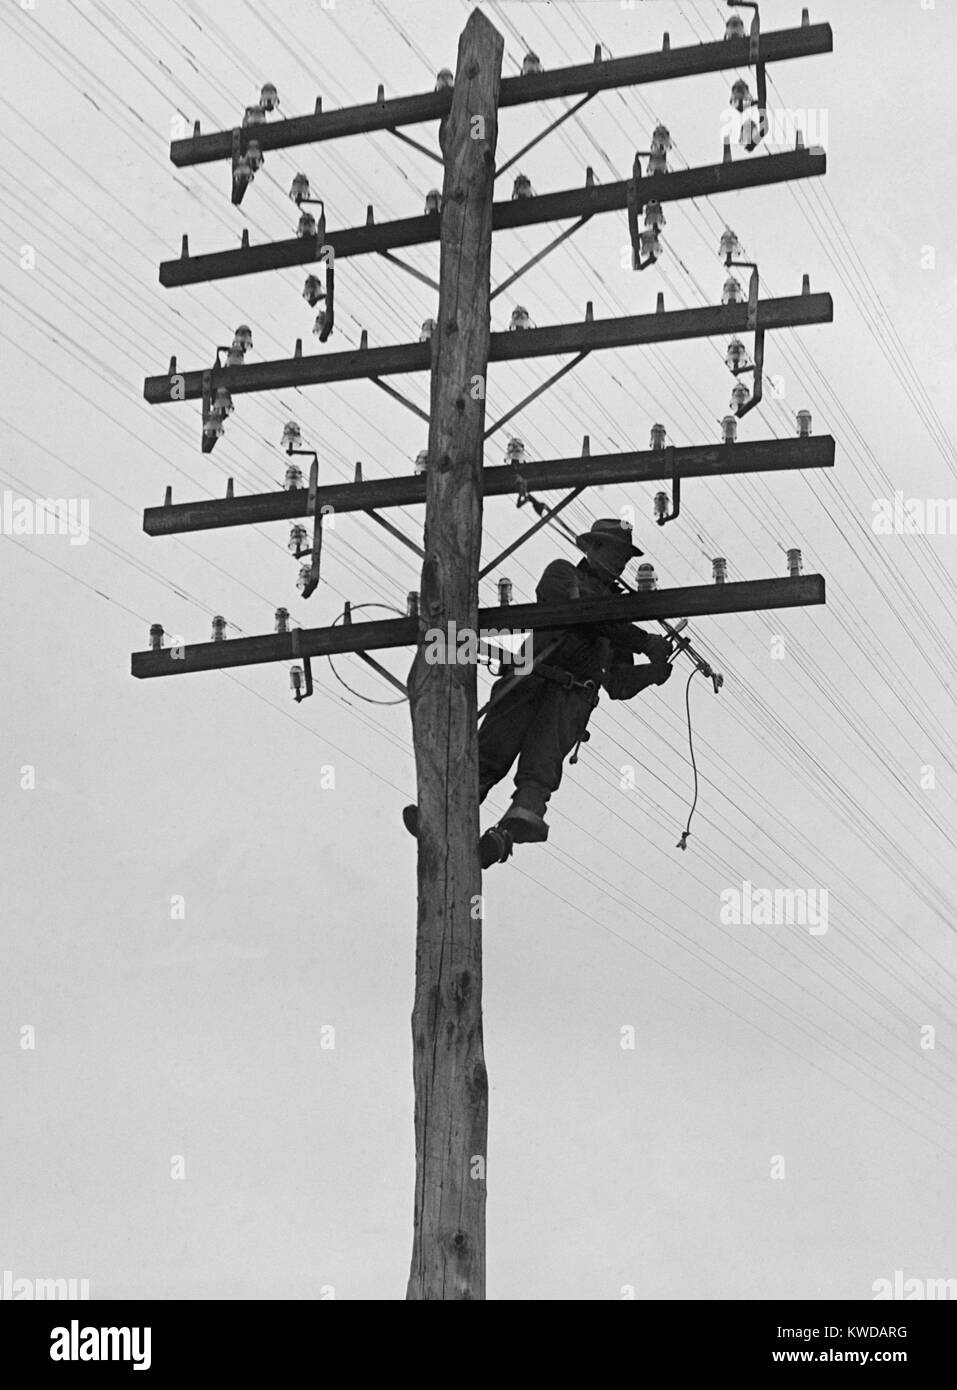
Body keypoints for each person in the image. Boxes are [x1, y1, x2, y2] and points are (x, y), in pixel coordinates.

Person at [403, 518, 673, 868]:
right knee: (486, 757)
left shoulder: (619, 622)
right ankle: (438, 818)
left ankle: (503, 839)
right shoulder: (562, 574)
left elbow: (618, 684)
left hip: (570, 699)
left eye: (625, 554)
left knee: (538, 775)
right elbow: (580, 613)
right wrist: (642, 640)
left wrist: (653, 672)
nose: (622, 561)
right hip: (529, 680)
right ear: (592, 549)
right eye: (615, 551)